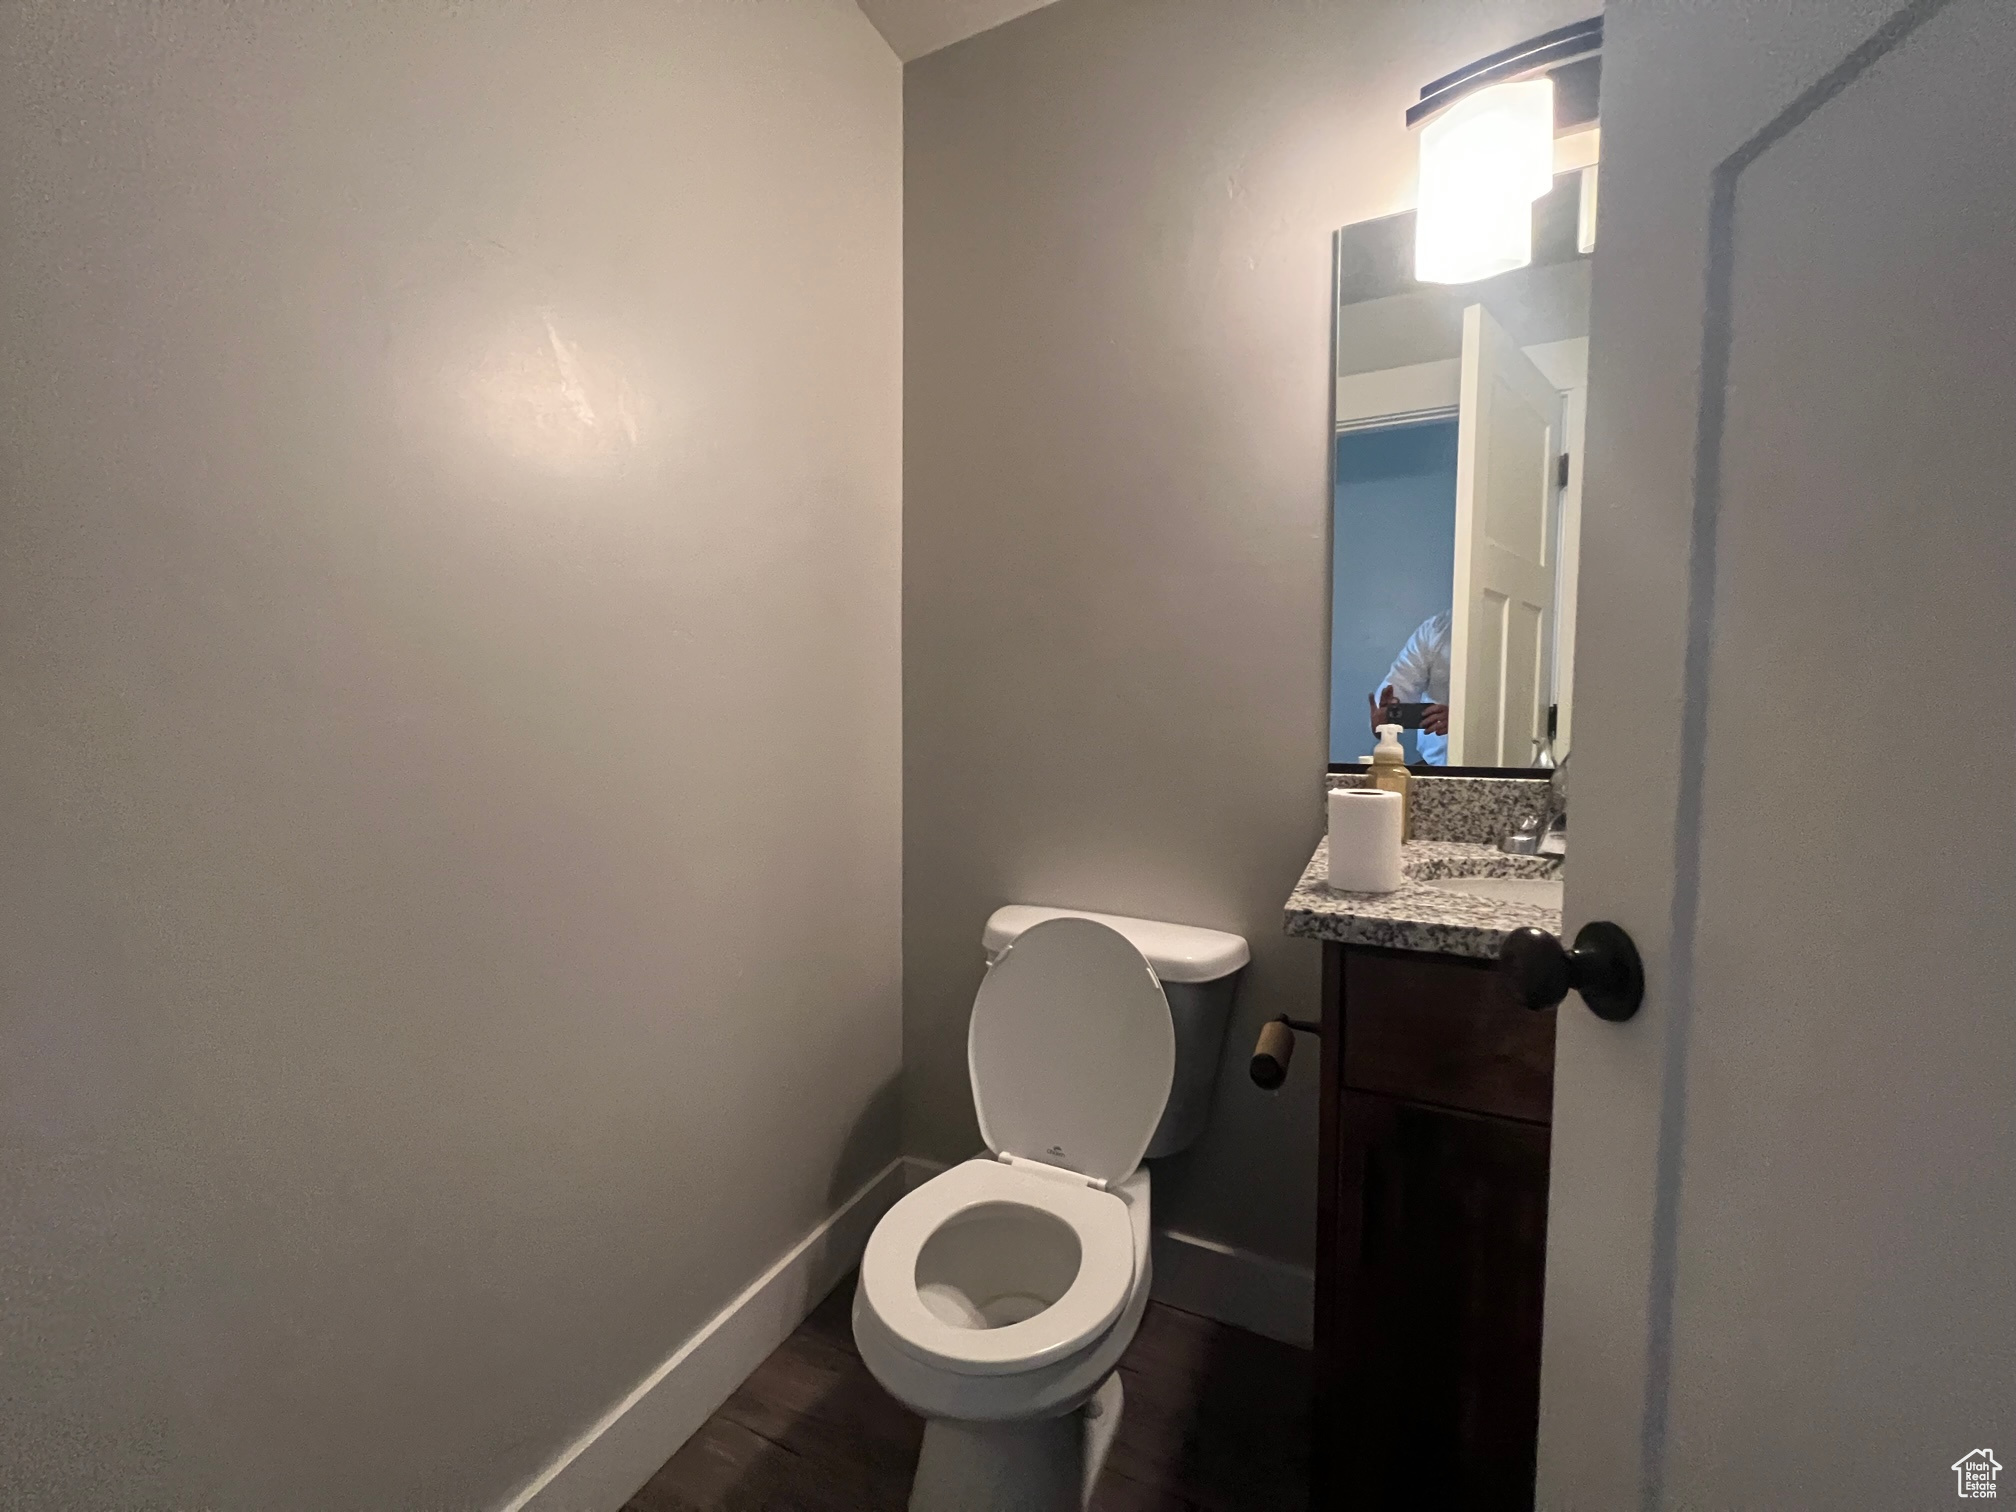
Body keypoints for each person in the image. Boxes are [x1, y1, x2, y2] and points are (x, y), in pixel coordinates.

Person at [1368, 610, 1451, 766]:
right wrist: (1385, 718)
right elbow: (1399, 683)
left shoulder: (1507, 629)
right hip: (1433, 766)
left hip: (1498, 767)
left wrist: (1462, 721)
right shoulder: (1434, 631)